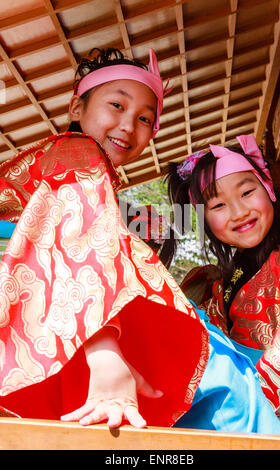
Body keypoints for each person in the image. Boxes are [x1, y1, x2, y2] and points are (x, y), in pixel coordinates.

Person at [0, 47, 210, 428]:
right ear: (76, 108)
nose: (129, 125)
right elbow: (79, 250)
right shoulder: (78, 153)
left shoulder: (73, 162)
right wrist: (106, 354)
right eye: (116, 104)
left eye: (145, 118)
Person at [166, 135, 280, 434]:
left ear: (268, 189)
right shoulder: (214, 285)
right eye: (218, 205)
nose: (239, 212)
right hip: (237, 417)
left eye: (247, 192)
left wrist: (254, 403)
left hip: (279, 414)